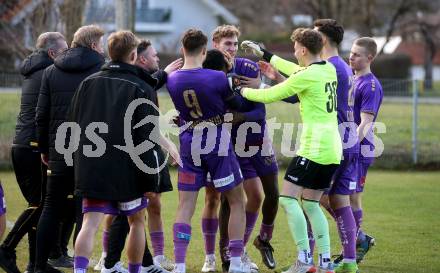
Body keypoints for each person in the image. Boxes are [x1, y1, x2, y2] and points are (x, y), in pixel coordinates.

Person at [240, 28, 341, 273]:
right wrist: (264, 53)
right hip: (332, 149)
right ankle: (325, 262)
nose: (294, 51)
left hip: (314, 149)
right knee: (311, 204)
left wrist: (239, 90)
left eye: (296, 47)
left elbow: (272, 94)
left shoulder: (307, 75)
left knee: (286, 198)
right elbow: (294, 69)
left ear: (304, 50)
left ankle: (304, 261)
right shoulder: (327, 68)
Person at [70, 30, 161, 273]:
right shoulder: (142, 87)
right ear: (134, 55)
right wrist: (151, 176)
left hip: (92, 165)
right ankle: (134, 270)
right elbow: (147, 137)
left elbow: (73, 124)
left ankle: (79, 271)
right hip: (127, 168)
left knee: (89, 223)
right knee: (136, 222)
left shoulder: (87, 83)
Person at [166, 28, 248, 273]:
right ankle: (235, 262)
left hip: (189, 143)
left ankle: (180, 264)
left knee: (185, 206)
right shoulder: (217, 78)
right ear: (204, 51)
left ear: (182, 49)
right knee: (236, 202)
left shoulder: (172, 79)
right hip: (217, 143)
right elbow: (237, 106)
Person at [98, 39, 182, 273]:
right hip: (131, 157)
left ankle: (145, 262)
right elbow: (145, 126)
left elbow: (147, 121)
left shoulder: (140, 82)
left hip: (131, 154)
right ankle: (110, 261)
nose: (158, 58)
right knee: (129, 210)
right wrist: (168, 146)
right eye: (154, 55)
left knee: (138, 210)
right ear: (139, 58)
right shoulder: (133, 85)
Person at [35, 25, 105, 273]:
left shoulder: (51, 70)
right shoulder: (102, 69)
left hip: (59, 148)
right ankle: (79, 265)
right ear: (95, 46)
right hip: (90, 149)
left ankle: (38, 266)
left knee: (51, 206)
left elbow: (41, 114)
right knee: (82, 209)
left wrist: (44, 147)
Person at [210, 25, 279, 273]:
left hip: (258, 140)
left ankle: (263, 241)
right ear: (215, 44)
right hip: (229, 144)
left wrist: (233, 115)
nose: (232, 48)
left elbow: (259, 110)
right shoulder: (209, 71)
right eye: (227, 43)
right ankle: (228, 254)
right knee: (231, 199)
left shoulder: (247, 67)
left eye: (235, 43)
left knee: (271, 194)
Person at [0, 32, 69, 273]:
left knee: (39, 204)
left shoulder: (35, 70)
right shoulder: (48, 73)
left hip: (23, 145)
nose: (67, 55)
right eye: (64, 51)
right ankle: (6, 250)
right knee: (41, 204)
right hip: (32, 147)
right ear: (52, 53)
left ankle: (34, 264)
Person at [348, 37, 383, 264]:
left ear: (369, 58)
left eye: (357, 54)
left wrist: (349, 146)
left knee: (352, 199)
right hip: (344, 148)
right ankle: (358, 238)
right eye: (351, 52)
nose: (351, 57)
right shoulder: (351, 79)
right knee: (326, 197)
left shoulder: (370, 85)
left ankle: (354, 247)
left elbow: (366, 122)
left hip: (359, 151)